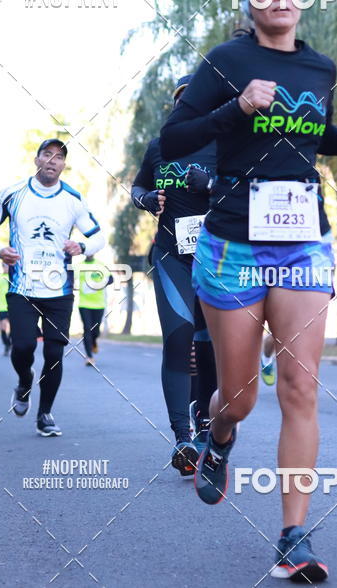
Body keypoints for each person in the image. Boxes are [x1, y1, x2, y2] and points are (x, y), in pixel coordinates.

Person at [160, 0, 337, 580]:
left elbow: (311, 134)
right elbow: (173, 139)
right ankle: (219, 437)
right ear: (248, 0)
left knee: (301, 388)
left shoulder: (319, 66)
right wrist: (236, 108)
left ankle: (292, 535)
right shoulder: (225, 63)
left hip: (302, 239)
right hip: (233, 242)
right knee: (244, 398)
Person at [0, 138, 105, 437]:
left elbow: (98, 236)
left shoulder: (73, 199)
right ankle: (24, 383)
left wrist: (83, 245)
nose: (52, 160)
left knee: (54, 354)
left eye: (59, 157)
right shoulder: (13, 193)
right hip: (22, 286)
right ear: (36, 159)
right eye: (47, 154)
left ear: (64, 165)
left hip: (59, 289)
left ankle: (45, 413)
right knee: (23, 346)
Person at [132, 76, 218, 476]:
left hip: (220, 257)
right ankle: (182, 437)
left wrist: (213, 185)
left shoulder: (226, 142)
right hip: (172, 256)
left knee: (212, 343)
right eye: (182, 100)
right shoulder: (158, 147)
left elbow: (248, 189)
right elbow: (137, 188)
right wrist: (146, 199)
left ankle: (206, 423)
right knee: (180, 336)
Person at [77, 257, 112, 366]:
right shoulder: (79, 266)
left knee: (95, 331)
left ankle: (94, 341)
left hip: (99, 304)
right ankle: (89, 357)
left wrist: (99, 285)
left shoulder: (100, 264)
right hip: (84, 304)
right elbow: (69, 278)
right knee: (87, 329)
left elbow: (111, 279)